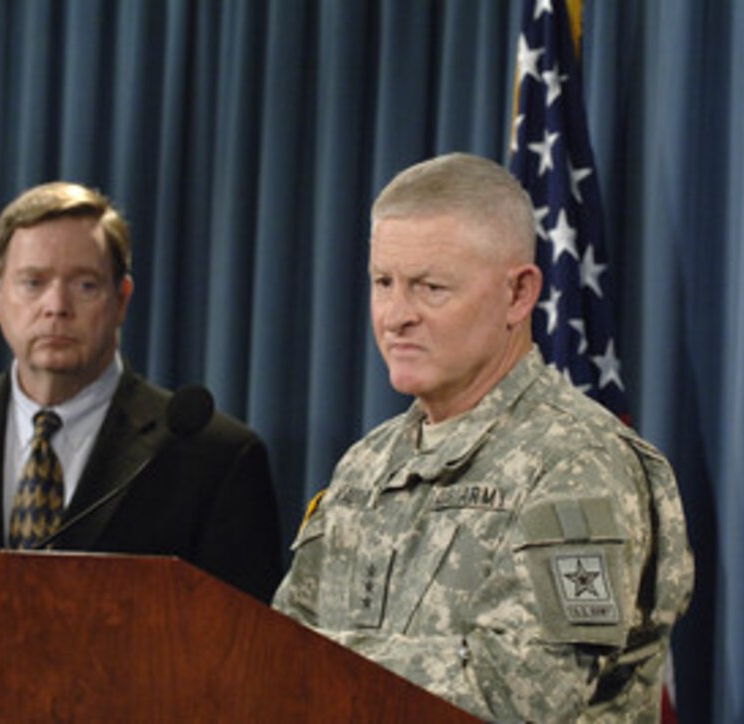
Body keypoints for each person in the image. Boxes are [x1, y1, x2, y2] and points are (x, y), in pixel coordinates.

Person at [272, 153, 693, 720]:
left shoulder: (578, 462)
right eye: (383, 282)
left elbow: (519, 694)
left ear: (518, 295)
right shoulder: (365, 466)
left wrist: (314, 663)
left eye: (430, 287)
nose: (396, 315)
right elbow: (272, 655)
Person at [0, 181, 282, 603]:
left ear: (122, 299)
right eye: (33, 282)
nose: (56, 305)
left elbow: (242, 650)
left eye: (85, 285)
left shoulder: (214, 456)